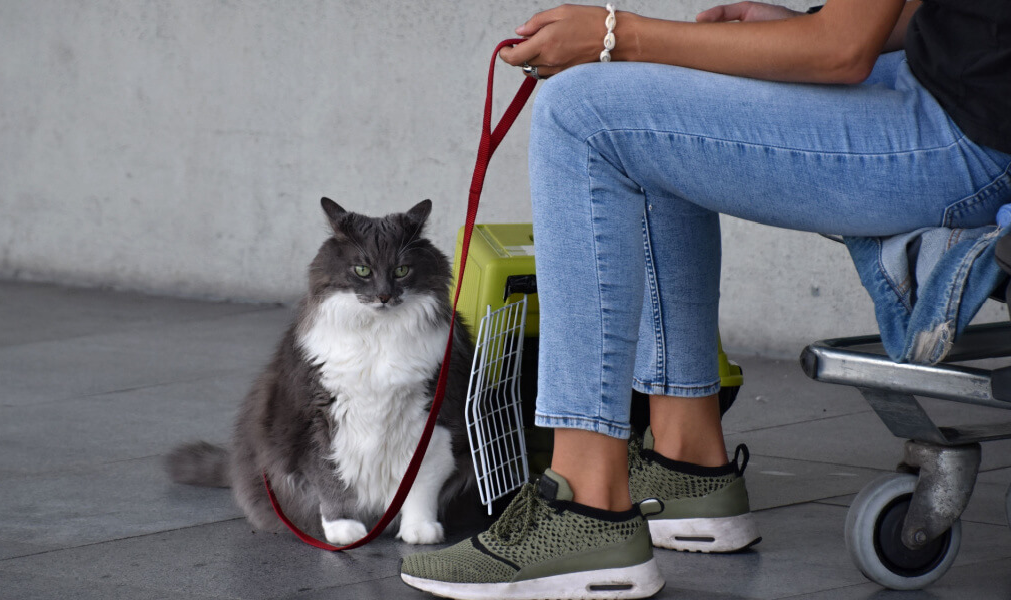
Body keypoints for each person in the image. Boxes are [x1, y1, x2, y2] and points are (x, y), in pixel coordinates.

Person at [400, 1, 1011, 598]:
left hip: (970, 137)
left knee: (579, 113)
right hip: (948, 83)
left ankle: (585, 507)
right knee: (665, 84)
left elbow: (842, 52)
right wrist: (810, 27)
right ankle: (685, 462)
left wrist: (615, 34)